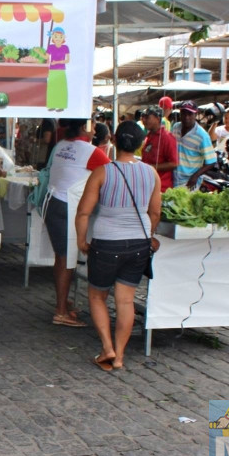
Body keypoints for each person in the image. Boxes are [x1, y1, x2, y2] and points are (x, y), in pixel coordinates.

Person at [75, 120, 161, 372]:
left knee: (97, 295)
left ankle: (107, 347)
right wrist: (149, 233)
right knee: (125, 301)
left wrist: (82, 240)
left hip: (106, 243)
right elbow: (155, 212)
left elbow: (83, 212)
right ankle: (120, 355)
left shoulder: (102, 172)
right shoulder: (151, 173)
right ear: (141, 143)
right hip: (138, 244)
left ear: (113, 140)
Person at [46, 118, 110, 327]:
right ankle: (61, 311)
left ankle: (63, 302)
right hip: (67, 207)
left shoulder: (60, 145)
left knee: (62, 258)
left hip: (53, 203)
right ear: (84, 128)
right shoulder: (91, 151)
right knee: (66, 260)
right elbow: (113, 175)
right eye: (92, 125)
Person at [172, 102, 216, 189]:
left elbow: (211, 161)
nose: (186, 117)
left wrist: (196, 176)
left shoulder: (202, 135)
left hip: (189, 182)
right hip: (174, 178)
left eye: (190, 114)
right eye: (184, 113)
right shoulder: (175, 127)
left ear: (195, 114)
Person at [141, 106, 179, 192]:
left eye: (147, 117)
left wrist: (151, 167)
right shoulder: (149, 136)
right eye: (143, 117)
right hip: (147, 185)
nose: (143, 120)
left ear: (158, 118)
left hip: (161, 188)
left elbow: (174, 163)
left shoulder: (167, 137)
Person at [45, 27, 71, 111]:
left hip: (61, 71)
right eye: (56, 37)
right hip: (52, 70)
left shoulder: (65, 47)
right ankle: (52, 105)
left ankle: (61, 106)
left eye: (60, 37)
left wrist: (57, 62)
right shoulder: (50, 47)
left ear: (63, 37)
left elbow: (67, 60)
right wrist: (38, 53)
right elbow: (46, 57)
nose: (58, 39)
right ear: (52, 37)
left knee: (61, 88)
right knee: (52, 88)